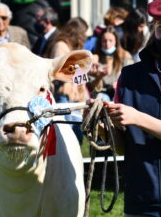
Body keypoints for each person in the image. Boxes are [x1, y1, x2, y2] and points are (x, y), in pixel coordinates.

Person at [103, 0, 161, 217]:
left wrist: (137, 118)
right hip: (140, 203)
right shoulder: (130, 75)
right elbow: (123, 146)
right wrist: (101, 126)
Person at [46, 16, 89, 145]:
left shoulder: (72, 48)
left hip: (75, 99)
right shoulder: (61, 46)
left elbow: (80, 78)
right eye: (84, 33)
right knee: (68, 140)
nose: (85, 37)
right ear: (77, 33)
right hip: (64, 97)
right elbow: (62, 74)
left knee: (77, 139)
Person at [87, 25, 133, 101]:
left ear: (116, 42)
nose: (107, 45)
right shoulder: (95, 59)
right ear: (100, 42)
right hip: (102, 95)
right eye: (104, 41)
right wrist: (99, 77)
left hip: (120, 94)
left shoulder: (125, 58)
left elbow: (132, 78)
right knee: (102, 98)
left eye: (111, 41)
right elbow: (92, 88)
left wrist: (120, 84)